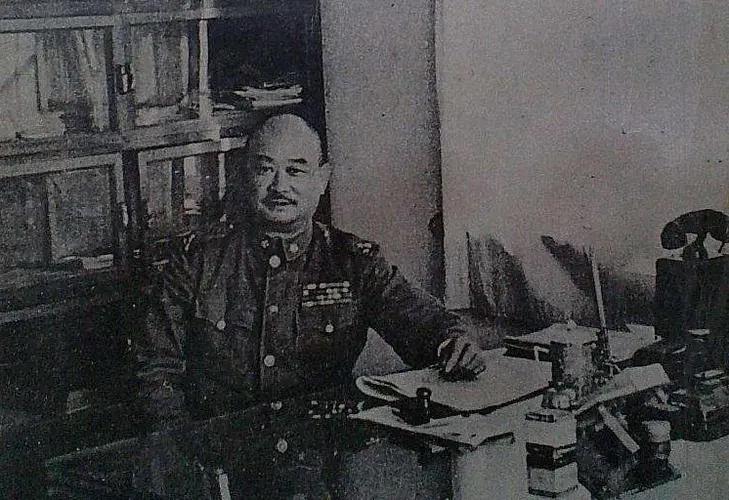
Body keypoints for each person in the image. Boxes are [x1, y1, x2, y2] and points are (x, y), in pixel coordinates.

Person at [135, 113, 486, 497]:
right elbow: (156, 373)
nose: (279, 186)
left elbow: (425, 323)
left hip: (320, 470)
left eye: (295, 171)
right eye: (265, 169)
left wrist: (453, 341)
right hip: (218, 470)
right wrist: (183, 461)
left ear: (322, 179)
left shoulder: (352, 262)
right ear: (244, 176)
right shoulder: (196, 260)